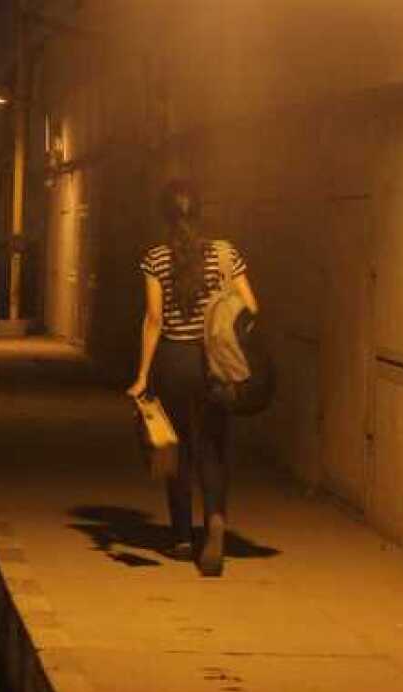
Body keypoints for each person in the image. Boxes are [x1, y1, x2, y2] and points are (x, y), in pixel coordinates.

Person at [126, 180, 259, 577]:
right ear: (200, 211)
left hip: (173, 363)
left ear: (164, 215)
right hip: (213, 364)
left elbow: (154, 319)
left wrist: (142, 375)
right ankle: (215, 519)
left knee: (176, 448)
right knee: (214, 446)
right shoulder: (225, 254)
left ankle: (183, 537)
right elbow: (251, 306)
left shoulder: (156, 258)